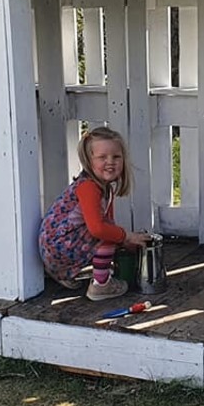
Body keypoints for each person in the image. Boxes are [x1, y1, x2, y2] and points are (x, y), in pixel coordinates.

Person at [38, 127, 150, 301]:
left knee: (111, 232)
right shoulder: (88, 187)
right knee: (106, 234)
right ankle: (101, 285)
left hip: (55, 249)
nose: (110, 162)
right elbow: (98, 229)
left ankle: (62, 274)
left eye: (116, 157)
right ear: (89, 161)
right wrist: (126, 236)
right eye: (102, 157)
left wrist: (125, 240)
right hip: (58, 247)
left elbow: (108, 223)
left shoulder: (104, 188)